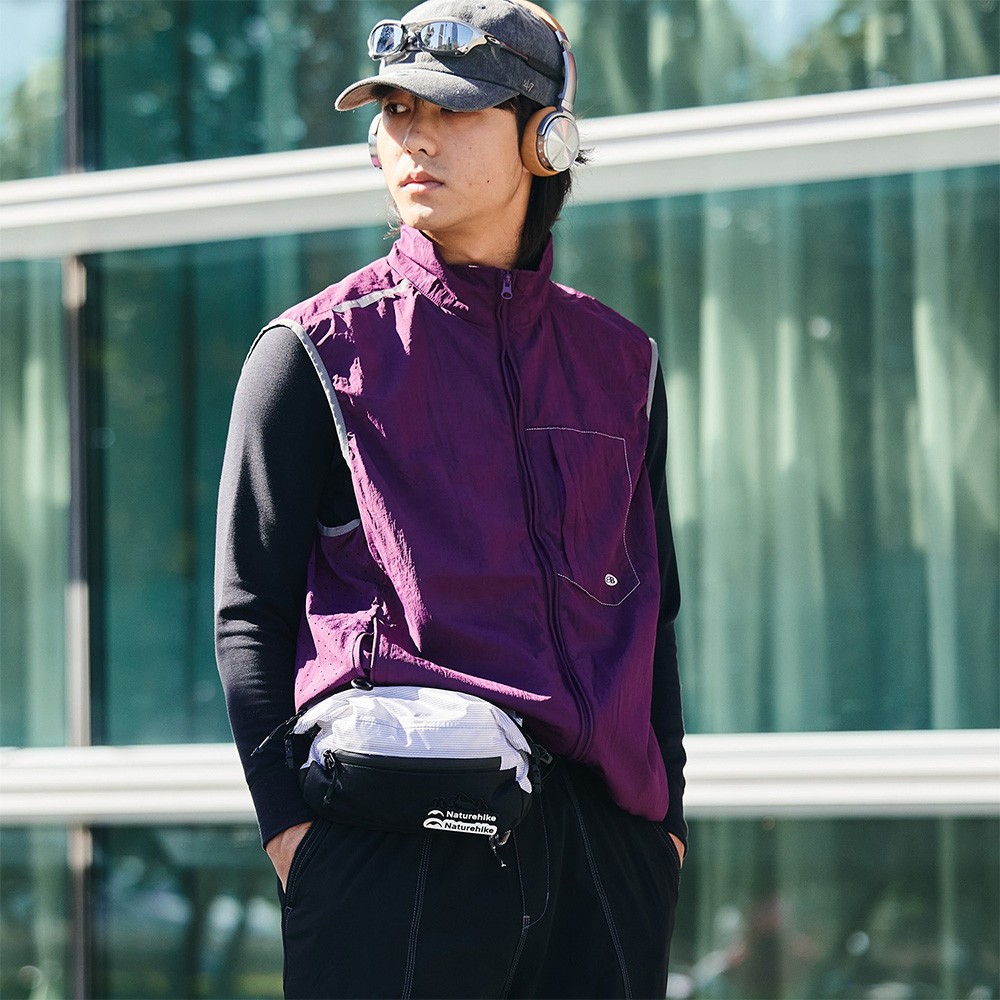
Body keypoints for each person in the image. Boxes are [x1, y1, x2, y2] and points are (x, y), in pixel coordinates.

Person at [215, 1, 687, 996]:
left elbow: (654, 611)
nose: (413, 137)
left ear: (544, 136)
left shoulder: (623, 363)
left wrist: (664, 829)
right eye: (395, 110)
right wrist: (294, 840)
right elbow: (248, 613)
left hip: (604, 863)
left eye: (452, 109)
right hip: (396, 847)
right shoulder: (309, 353)